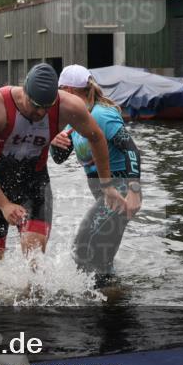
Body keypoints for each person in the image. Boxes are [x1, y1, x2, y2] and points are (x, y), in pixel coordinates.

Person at [0, 63, 126, 258]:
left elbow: (97, 137)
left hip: (35, 184)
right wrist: (3, 204)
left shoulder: (68, 106)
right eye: (35, 106)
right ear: (24, 91)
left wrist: (106, 185)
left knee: (35, 264)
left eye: (47, 107)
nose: (41, 113)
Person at [50, 65, 142, 275]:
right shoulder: (73, 118)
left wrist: (134, 192)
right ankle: (111, 299)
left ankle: (96, 297)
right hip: (104, 194)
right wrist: (55, 143)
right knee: (100, 258)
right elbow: (59, 159)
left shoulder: (101, 115)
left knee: (81, 248)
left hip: (121, 190)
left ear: (69, 90)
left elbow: (132, 151)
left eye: (59, 92)